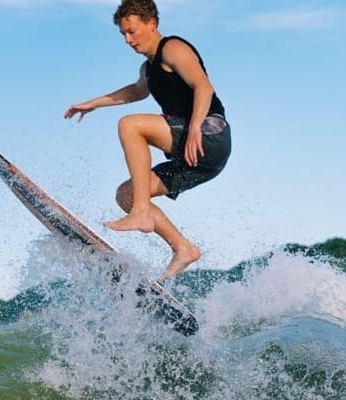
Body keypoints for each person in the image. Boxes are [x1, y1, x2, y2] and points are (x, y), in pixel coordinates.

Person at [64, 0, 231, 279]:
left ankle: (141, 213)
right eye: (123, 35)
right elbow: (136, 92)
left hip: (209, 135)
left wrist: (193, 130)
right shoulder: (148, 68)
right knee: (127, 194)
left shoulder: (173, 48)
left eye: (132, 31)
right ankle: (183, 247)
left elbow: (203, 85)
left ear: (151, 24)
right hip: (196, 159)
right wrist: (93, 103)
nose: (128, 40)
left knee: (131, 126)